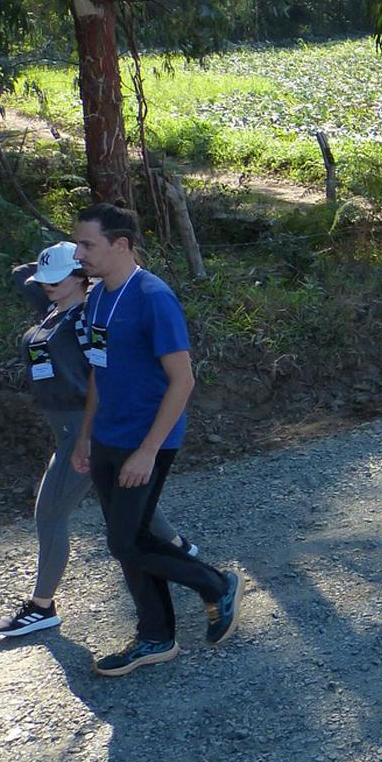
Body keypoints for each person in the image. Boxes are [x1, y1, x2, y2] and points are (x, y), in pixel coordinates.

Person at [68, 203, 241, 676]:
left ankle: (215, 584)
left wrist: (147, 451)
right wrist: (85, 435)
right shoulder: (97, 297)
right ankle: (156, 636)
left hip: (147, 441)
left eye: (88, 244)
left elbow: (182, 381)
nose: (78, 253)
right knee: (132, 539)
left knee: (126, 543)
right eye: (78, 243)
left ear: (120, 245)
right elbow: (99, 374)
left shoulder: (153, 297)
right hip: (107, 436)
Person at [0, 243, 193, 639]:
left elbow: (114, 369)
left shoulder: (87, 317)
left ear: (82, 279)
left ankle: (41, 606)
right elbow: (21, 272)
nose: (46, 285)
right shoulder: (53, 307)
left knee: (49, 514)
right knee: (124, 496)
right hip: (66, 428)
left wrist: (84, 267)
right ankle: (180, 548)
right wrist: (57, 262)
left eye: (57, 278)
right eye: (44, 280)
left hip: (84, 430)